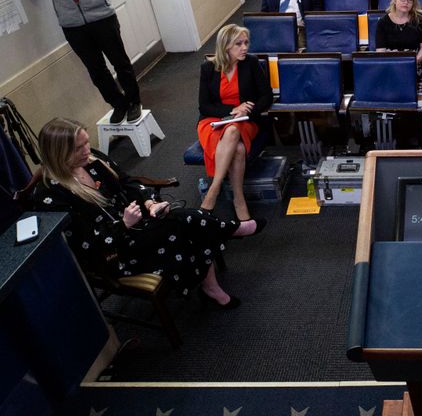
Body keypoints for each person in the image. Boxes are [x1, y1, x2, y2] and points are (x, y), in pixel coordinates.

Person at [33, 118, 264, 308]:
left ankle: (212, 283)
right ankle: (229, 232)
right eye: (77, 149)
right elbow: (84, 244)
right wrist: (123, 225)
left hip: (137, 225)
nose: (87, 151)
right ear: (58, 153)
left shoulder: (92, 160)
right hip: (115, 251)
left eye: (86, 143)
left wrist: (150, 202)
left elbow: (128, 184)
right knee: (185, 222)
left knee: (180, 221)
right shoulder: (51, 194)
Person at [197, 24, 272, 226]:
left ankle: (214, 190)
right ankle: (239, 200)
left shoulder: (251, 63)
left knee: (232, 132)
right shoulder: (208, 68)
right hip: (214, 122)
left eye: (246, 42)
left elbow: (267, 96)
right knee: (237, 148)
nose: (244, 47)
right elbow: (204, 106)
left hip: (245, 122)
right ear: (226, 46)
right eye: (238, 43)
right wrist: (231, 111)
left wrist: (247, 110)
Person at [374, 0, 422, 65]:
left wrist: (415, 61)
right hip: (390, 65)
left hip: (414, 64)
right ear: (395, 0)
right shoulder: (382, 22)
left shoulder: (420, 19)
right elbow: (380, 51)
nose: (406, 2)